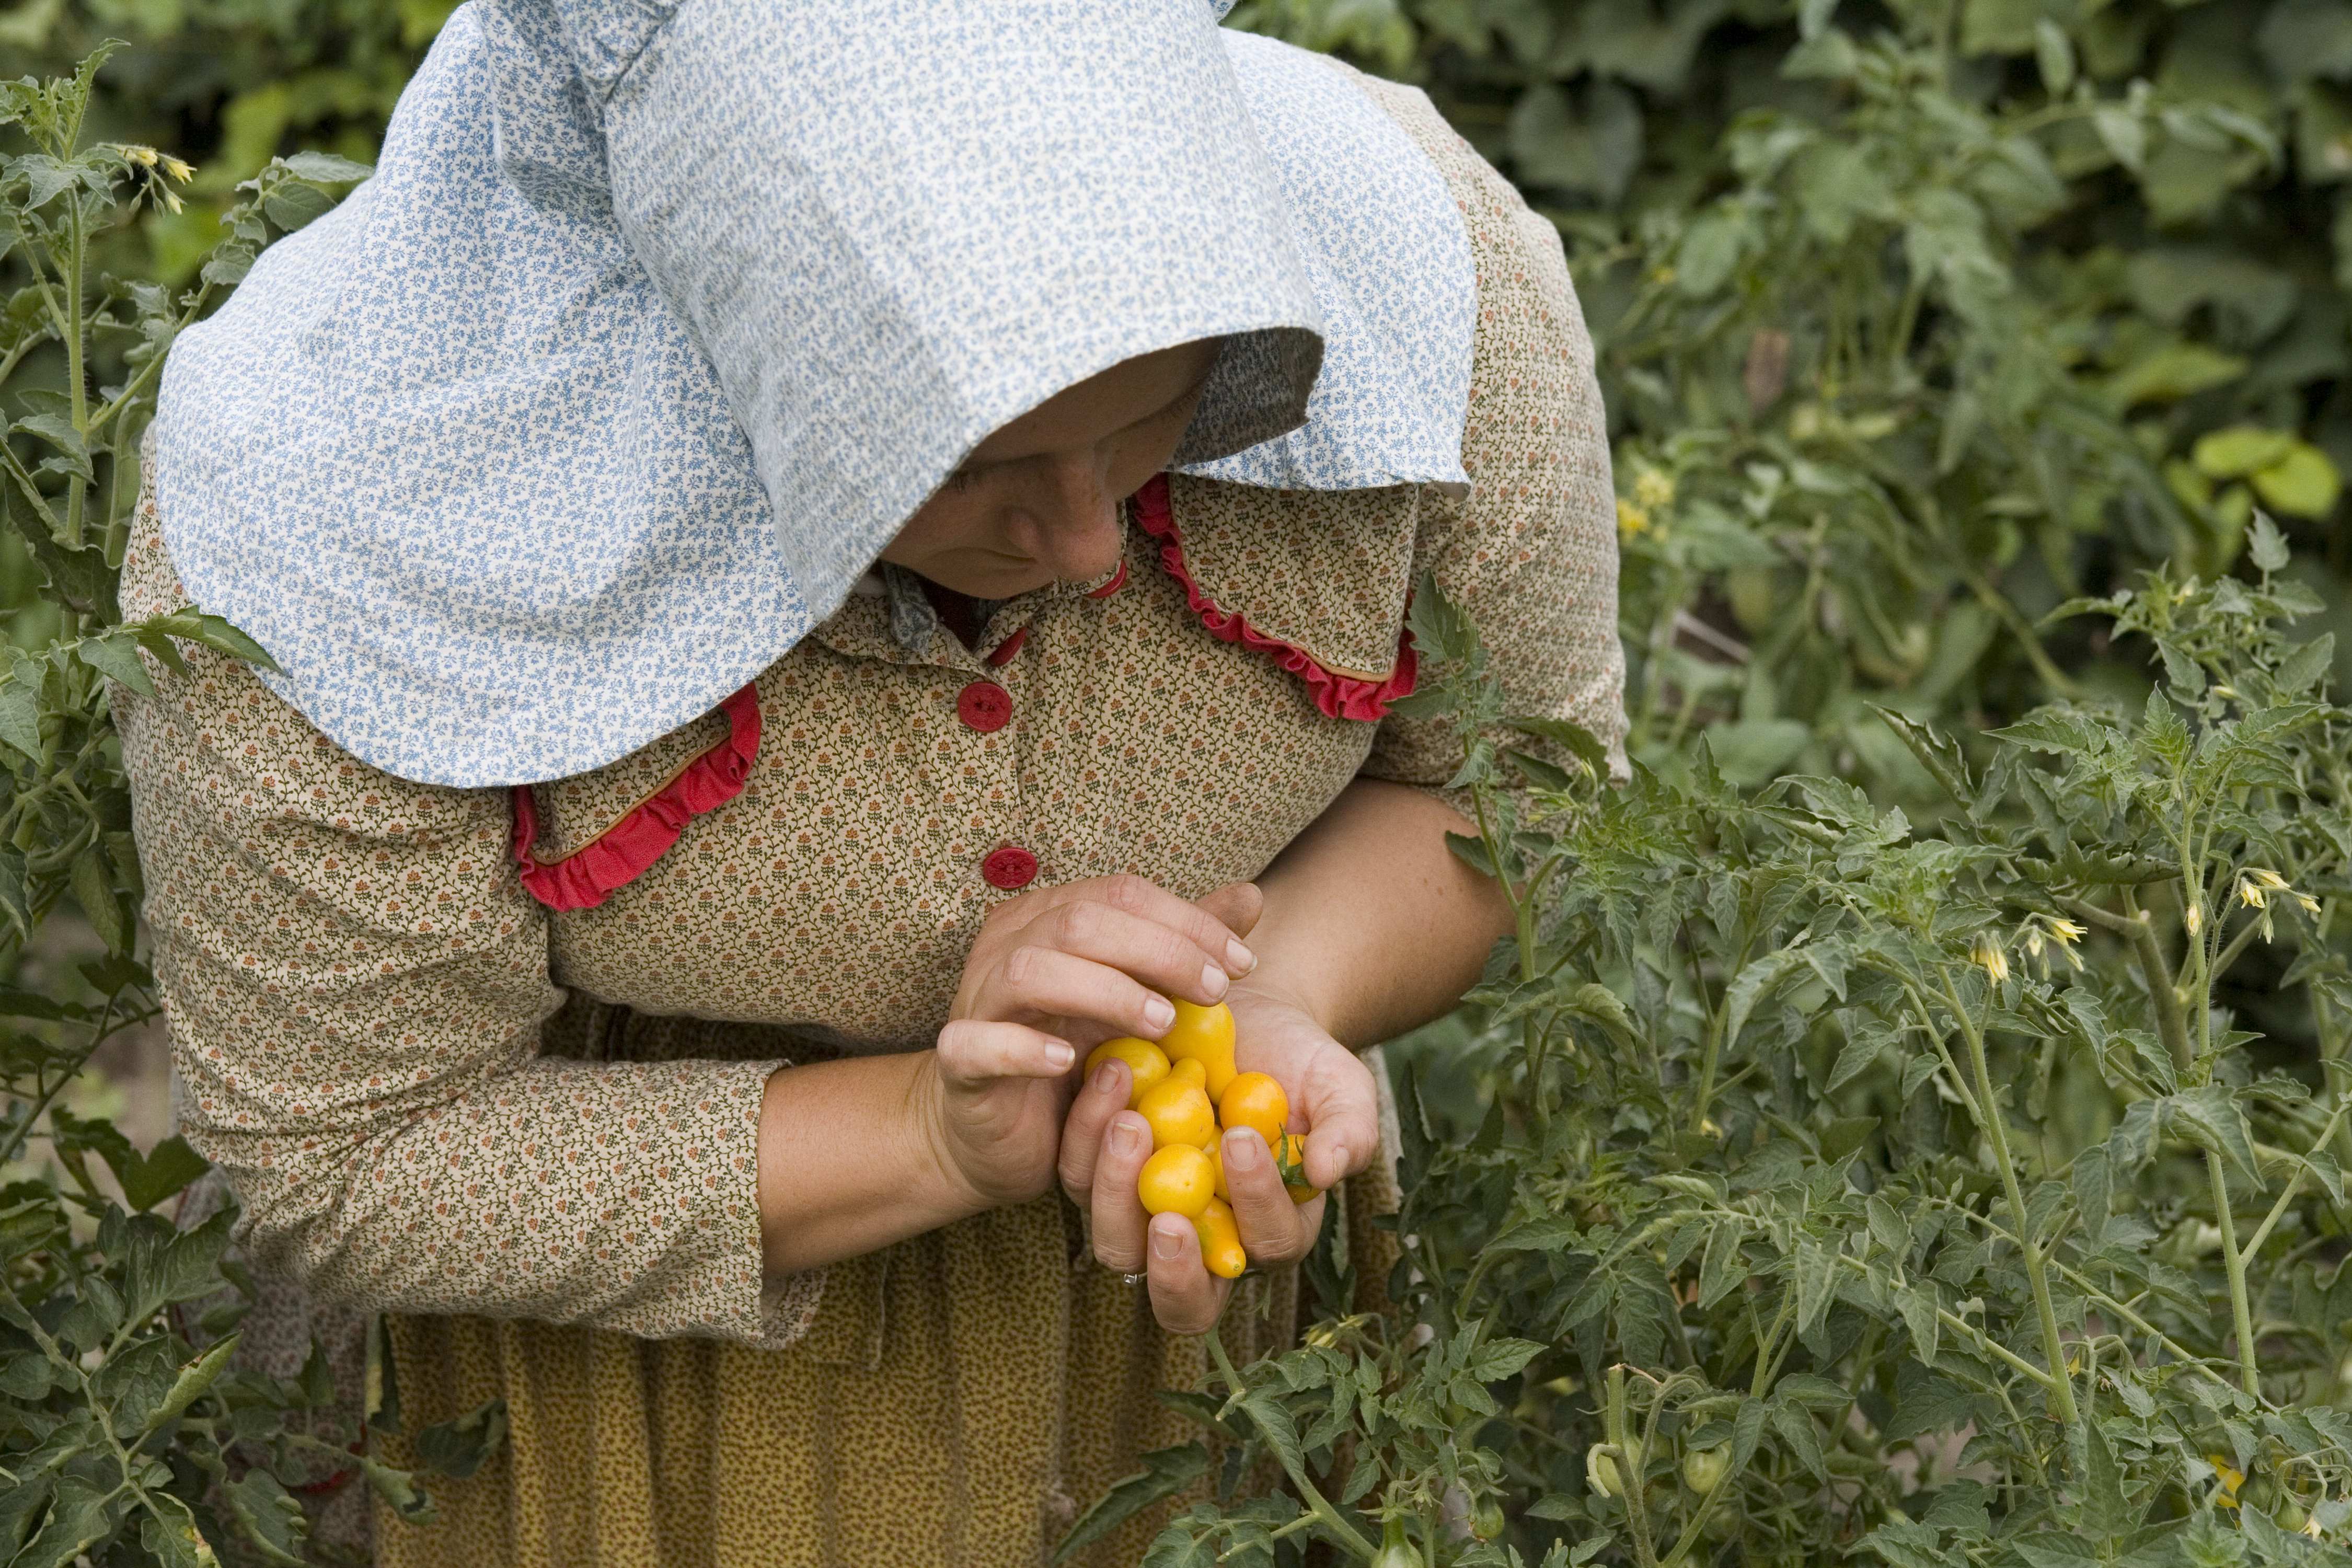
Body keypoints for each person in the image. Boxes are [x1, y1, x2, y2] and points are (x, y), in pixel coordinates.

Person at [117, 0, 1624, 1561]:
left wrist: (1271, 994)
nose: (1088, 545)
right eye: (971, 467)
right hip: (638, 1394)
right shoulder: (343, 521)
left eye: (1149, 420)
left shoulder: (1413, 272)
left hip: (1212, 1338)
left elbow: (1513, 792)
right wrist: (924, 1131)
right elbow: (345, 1154)